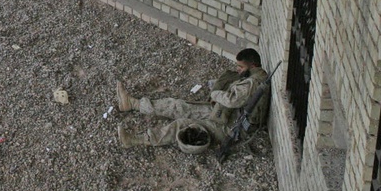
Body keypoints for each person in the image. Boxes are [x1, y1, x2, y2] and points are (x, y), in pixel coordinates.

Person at [116, 47, 271, 150]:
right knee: (180, 106)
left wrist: (215, 94)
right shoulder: (255, 77)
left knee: (181, 124)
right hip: (224, 114)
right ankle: (133, 104)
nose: (238, 70)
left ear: (252, 66)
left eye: (241, 67)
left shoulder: (252, 83)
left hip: (230, 128)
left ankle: (135, 140)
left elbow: (232, 100)